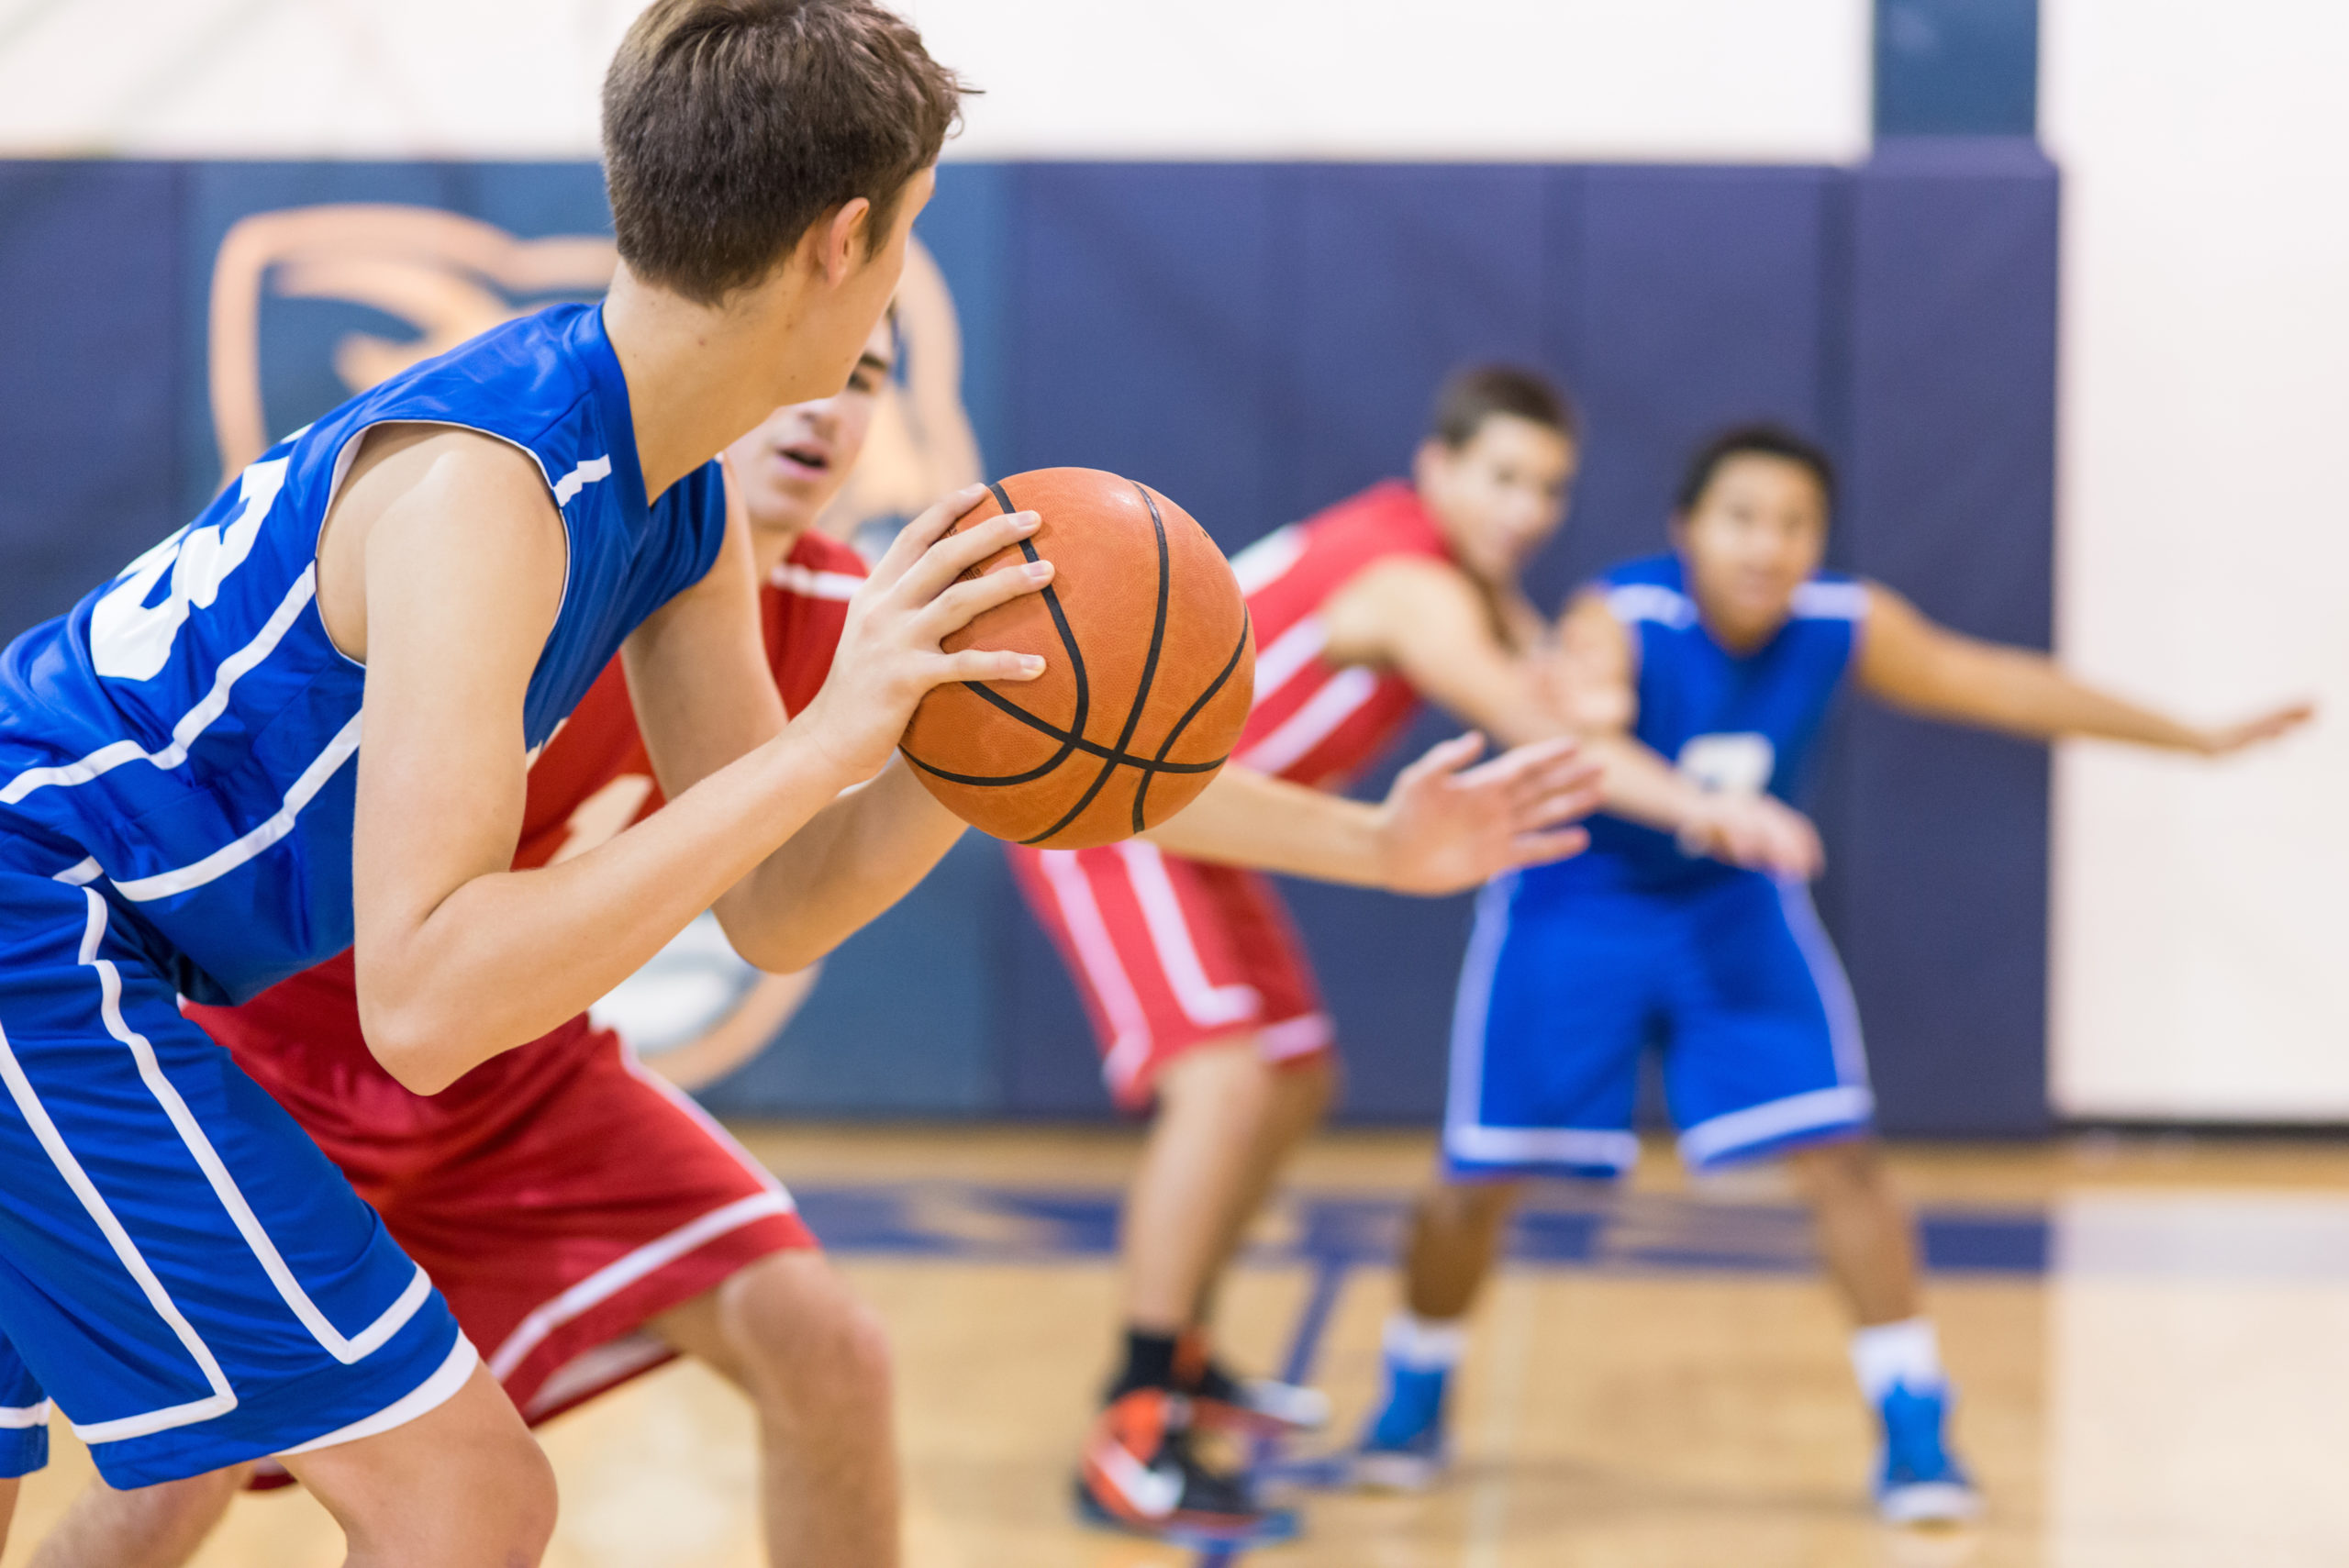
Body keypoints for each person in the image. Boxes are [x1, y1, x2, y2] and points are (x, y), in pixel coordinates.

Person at [20, 317, 1600, 1564]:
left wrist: (1381, 845)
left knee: (823, 1345)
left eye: (871, 379)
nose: (829, 406)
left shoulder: (869, 614)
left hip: (518, 1077)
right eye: (819, 365)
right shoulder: (551, 529)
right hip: (280, 1051)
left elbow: (1134, 775)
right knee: (184, 1474)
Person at [0, 4, 1014, 1562]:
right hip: (36, 922)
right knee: (466, 1491)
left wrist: (973, 737)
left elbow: (777, 900)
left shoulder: (668, 489)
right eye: (908, 240)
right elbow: (426, 997)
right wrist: (829, 740)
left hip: (91, 936)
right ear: (845, 238)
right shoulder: (500, 484)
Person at [1356, 422, 2313, 1523]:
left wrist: (2191, 738)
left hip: (1732, 906)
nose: (1768, 545)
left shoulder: (1838, 623)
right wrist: (1694, 798)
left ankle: (1913, 1424)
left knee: (1843, 1158)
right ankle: (1413, 1386)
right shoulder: (1615, 616)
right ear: (1687, 530)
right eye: (1742, 519)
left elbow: (1996, 680)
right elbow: (1587, 744)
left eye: (1794, 523)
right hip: (1577, 908)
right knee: (1474, 1176)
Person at [1008, 366, 1764, 1547]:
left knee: (1300, 1078)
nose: (1525, 507)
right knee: (1222, 1080)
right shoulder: (1410, 582)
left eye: (1549, 487)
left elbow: (1562, 667)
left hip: (1219, 829)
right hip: (1115, 805)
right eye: (1502, 478)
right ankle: (1135, 1418)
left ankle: (1188, 1351)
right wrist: (1708, 808)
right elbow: (1546, 728)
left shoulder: (1470, 576)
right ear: (1437, 471)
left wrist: (1591, 655)